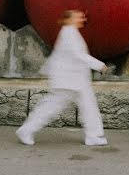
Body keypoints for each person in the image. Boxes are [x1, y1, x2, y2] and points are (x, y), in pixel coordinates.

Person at [16, 9, 109, 146]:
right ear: (69, 19)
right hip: (68, 80)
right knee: (52, 107)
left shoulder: (71, 32)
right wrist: (99, 65)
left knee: (88, 105)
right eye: (79, 17)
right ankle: (26, 130)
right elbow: (79, 55)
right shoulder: (69, 33)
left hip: (75, 79)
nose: (82, 19)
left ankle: (94, 135)